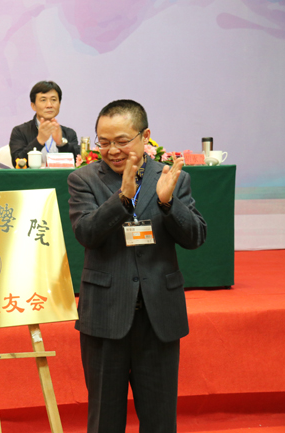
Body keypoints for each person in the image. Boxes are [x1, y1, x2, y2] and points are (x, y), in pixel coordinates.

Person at [67, 100, 206, 432]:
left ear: (145, 136)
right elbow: (86, 233)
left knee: (160, 420)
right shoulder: (83, 179)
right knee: (105, 420)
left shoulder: (171, 178)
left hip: (158, 315)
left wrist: (168, 203)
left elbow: (195, 237)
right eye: (104, 142)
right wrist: (122, 199)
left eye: (121, 141)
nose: (112, 150)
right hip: (106, 314)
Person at [9, 80, 79, 167]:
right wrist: (39, 141)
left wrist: (61, 144)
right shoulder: (20, 131)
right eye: (43, 100)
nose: (49, 105)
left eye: (53, 100)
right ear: (33, 106)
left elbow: (78, 162)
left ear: (59, 104)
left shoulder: (69, 133)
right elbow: (17, 162)